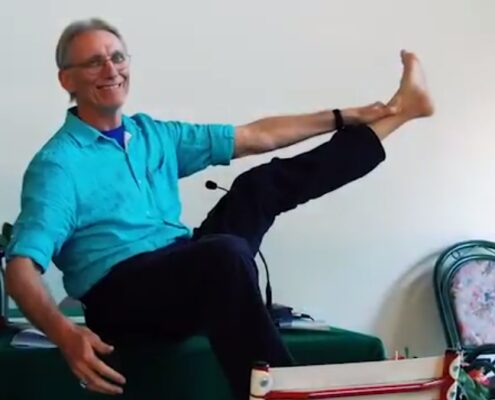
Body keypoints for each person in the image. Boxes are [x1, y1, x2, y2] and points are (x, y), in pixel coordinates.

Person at [5, 18, 433, 400]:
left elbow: (256, 136)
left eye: (117, 57)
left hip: (179, 269)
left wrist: (347, 116)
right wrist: (65, 334)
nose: (111, 69)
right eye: (94, 62)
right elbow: (20, 267)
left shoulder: (152, 135)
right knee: (222, 254)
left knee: (256, 188)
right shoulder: (58, 165)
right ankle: (284, 394)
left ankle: (402, 113)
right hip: (121, 299)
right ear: (67, 80)